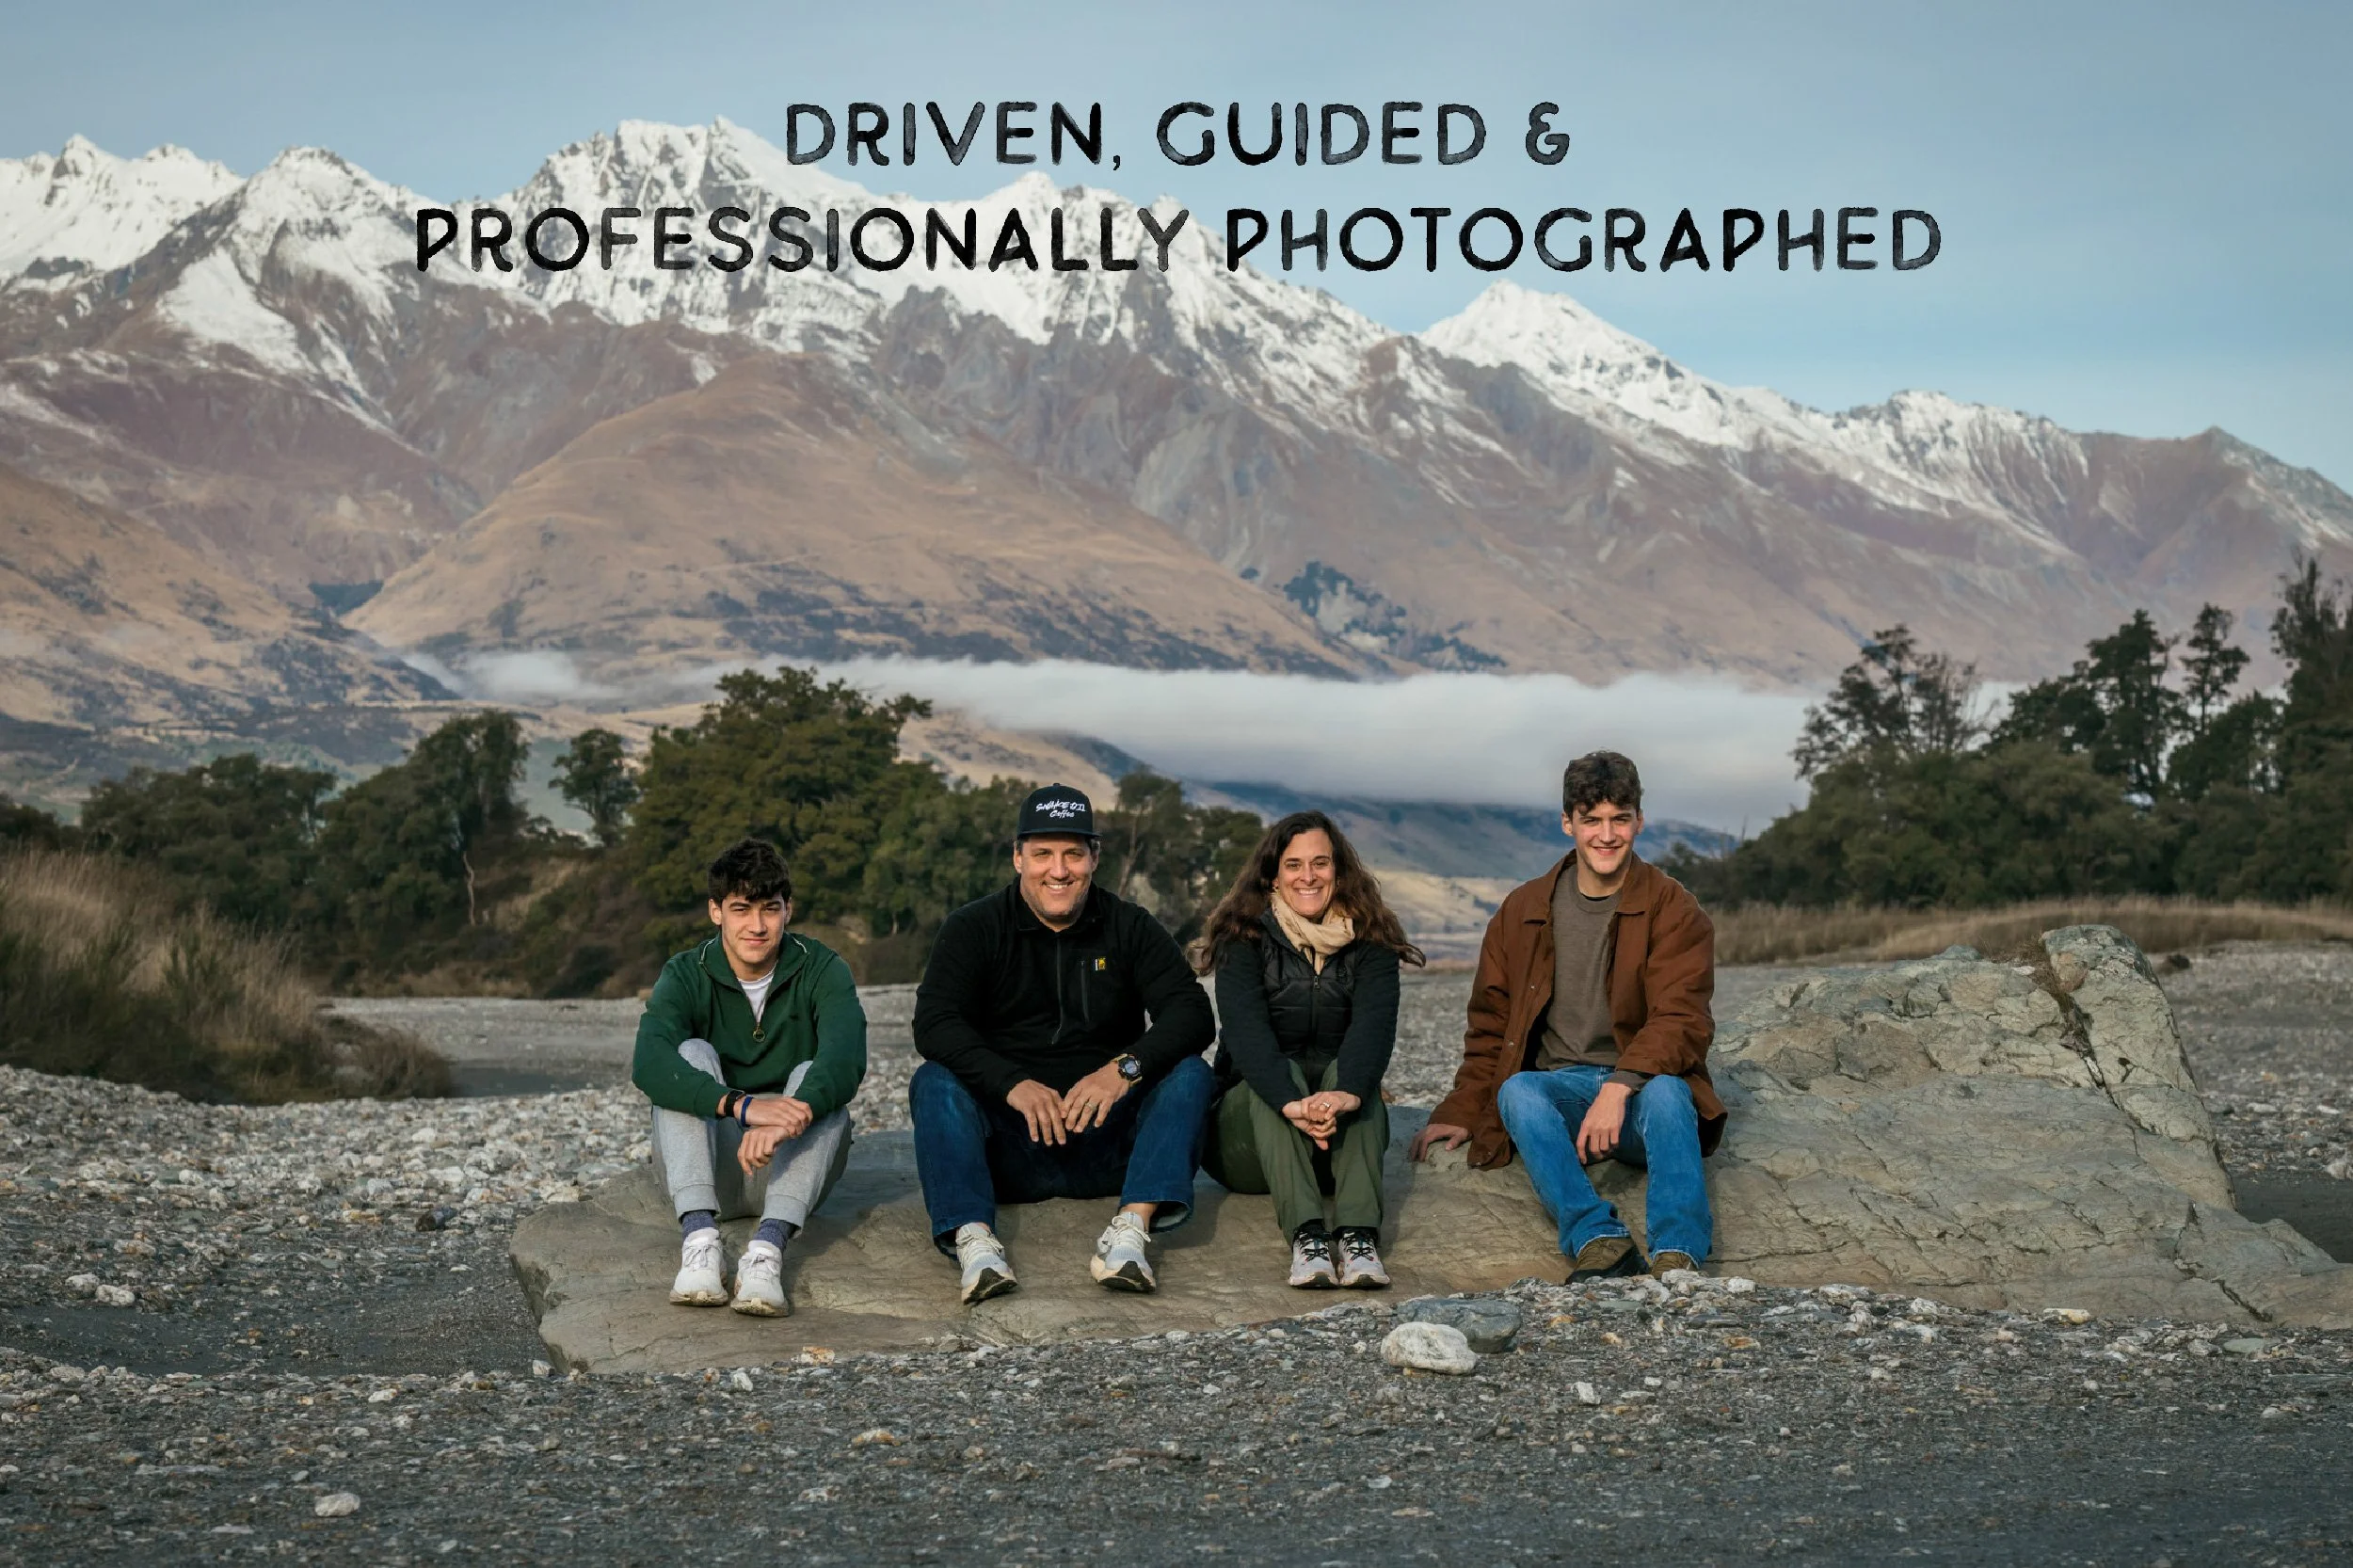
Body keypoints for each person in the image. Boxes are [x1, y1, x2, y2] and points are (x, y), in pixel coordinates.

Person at [1408, 751, 1723, 1280]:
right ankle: (1598, 1238)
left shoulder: (1674, 908)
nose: (1606, 834)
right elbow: (1490, 1025)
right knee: (1518, 1091)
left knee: (1672, 1091)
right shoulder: (1523, 909)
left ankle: (1679, 1252)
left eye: (1620, 819)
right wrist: (1460, 1109)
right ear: (1567, 823)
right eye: (1592, 820)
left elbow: (1682, 1019)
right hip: (1565, 1095)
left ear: (1639, 822)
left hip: (1644, 1091)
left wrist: (1619, 1087)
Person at [909, 783, 1216, 1304]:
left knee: (1190, 1073)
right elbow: (935, 1024)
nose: (1059, 870)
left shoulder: (1130, 926)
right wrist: (1010, 1084)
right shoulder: (973, 928)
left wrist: (1123, 1069)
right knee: (933, 1082)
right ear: (1017, 857)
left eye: (1073, 853)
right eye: (1043, 854)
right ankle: (976, 1243)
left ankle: (1130, 1231)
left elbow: (1191, 1014)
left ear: (1094, 857)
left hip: (1107, 1142)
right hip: (1007, 1147)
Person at [632, 838, 866, 1317]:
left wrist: (781, 1123)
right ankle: (699, 1241)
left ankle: (767, 1252)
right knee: (690, 1054)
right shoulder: (685, 972)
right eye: (741, 909)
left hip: (787, 1164)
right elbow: (648, 1061)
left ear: (788, 909)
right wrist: (741, 1105)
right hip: (708, 1167)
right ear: (716, 911)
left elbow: (845, 1058)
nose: (757, 926)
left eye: (770, 909)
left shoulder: (822, 967)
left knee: (816, 1080)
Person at [1196, 811, 1423, 1289]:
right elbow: (1246, 1036)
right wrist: (1291, 1102)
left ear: (1339, 871)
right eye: (1294, 864)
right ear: (1273, 873)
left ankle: (1359, 1240)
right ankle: (1307, 1238)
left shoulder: (1372, 940)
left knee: (1355, 1080)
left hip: (1334, 1136)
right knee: (1275, 1078)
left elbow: (1374, 1030)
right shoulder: (1245, 938)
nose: (1308, 876)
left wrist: (1344, 1096)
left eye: (1320, 863)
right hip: (1250, 1142)